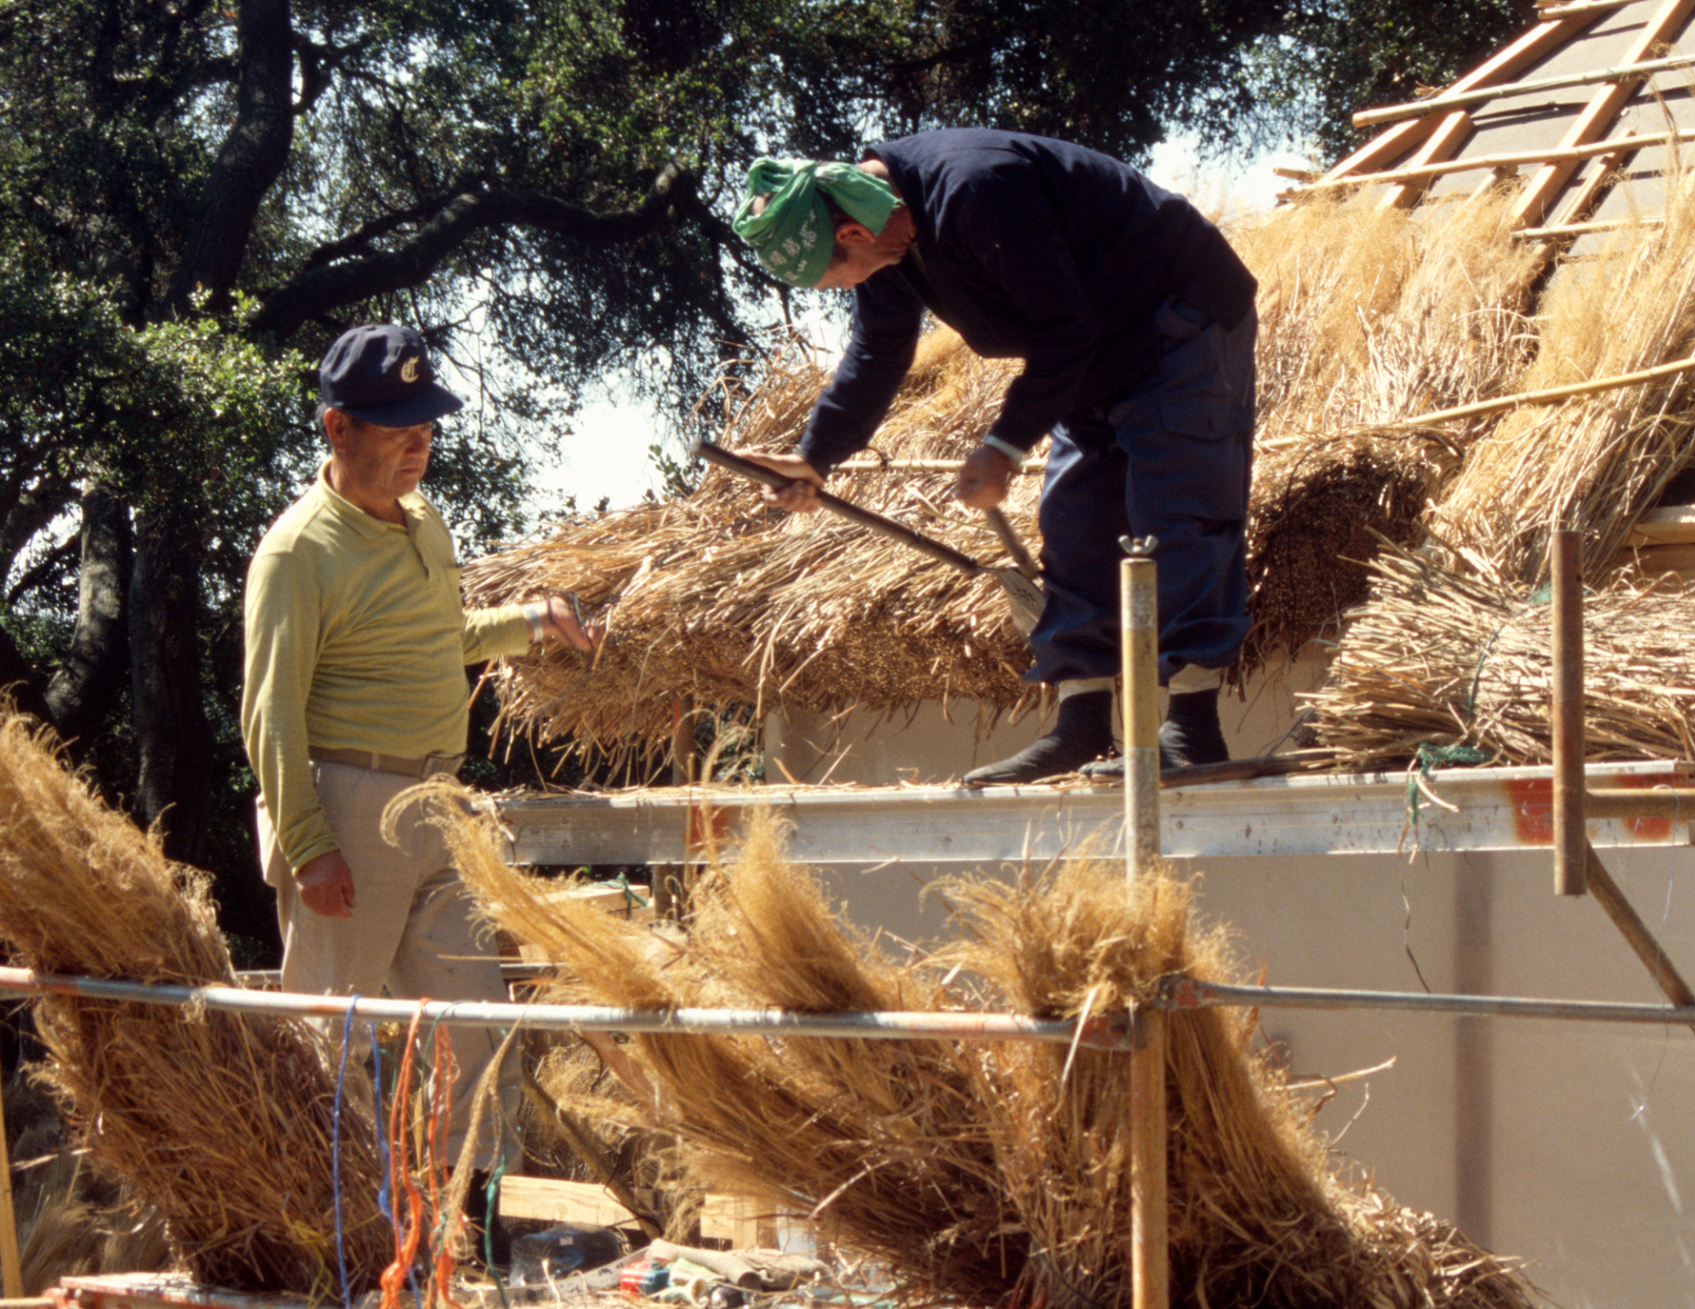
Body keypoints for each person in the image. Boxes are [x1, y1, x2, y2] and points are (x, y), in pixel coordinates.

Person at [730, 128, 1258, 784]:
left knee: (1178, 510)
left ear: (854, 235)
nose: (849, 287)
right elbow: (878, 350)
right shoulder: (885, 232)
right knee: (1073, 521)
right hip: (1093, 349)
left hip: (1177, 319)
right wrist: (814, 457)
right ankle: (1082, 725)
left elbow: (1065, 331)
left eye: (839, 278)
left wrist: (1004, 446)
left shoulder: (977, 192)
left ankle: (1193, 727)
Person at [240, 323, 601, 1181]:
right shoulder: (297, 552)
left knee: (476, 1023)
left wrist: (532, 621)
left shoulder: (425, 521)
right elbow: (269, 712)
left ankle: (459, 1215)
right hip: (346, 806)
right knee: (330, 1037)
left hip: (439, 802)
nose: (420, 443)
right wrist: (308, 843)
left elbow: (441, 636)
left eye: (428, 423)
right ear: (337, 428)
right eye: (399, 425)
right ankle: (330, 1227)